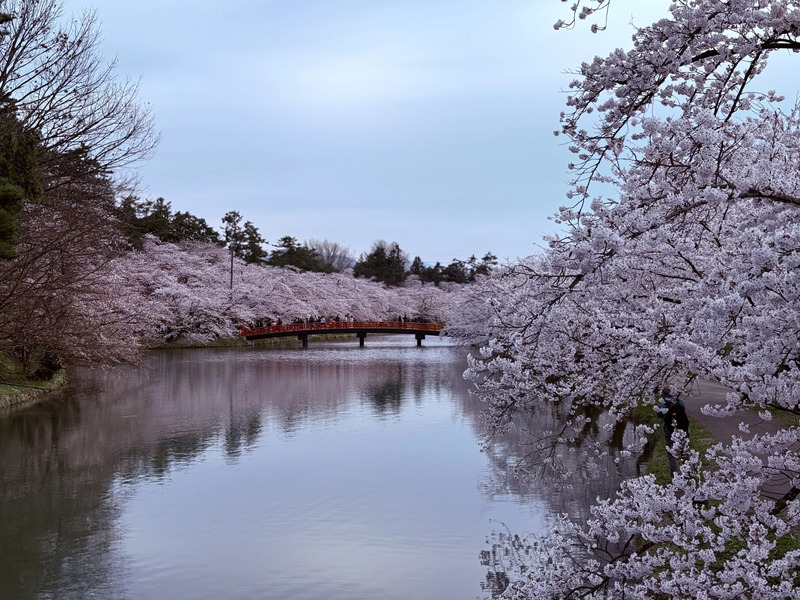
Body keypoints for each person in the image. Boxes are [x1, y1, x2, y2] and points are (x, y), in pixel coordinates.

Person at [656, 387, 690, 477]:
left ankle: (674, 476)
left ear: (662, 395)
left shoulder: (661, 406)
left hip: (669, 433)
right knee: (684, 453)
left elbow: (659, 415)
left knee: (672, 455)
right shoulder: (680, 402)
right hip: (684, 431)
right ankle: (687, 474)